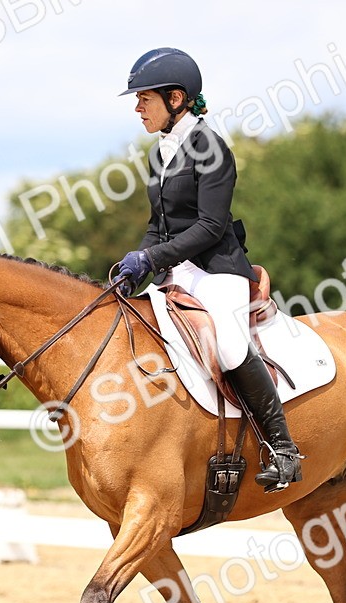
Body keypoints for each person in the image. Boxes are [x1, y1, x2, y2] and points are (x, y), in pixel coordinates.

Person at [113, 47, 303, 492]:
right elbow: (156, 227)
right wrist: (135, 264)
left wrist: (153, 259)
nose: (137, 107)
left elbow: (210, 225)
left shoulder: (210, 148)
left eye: (144, 98)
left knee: (231, 348)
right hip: (176, 270)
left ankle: (284, 449)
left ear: (175, 98)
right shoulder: (159, 155)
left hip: (218, 268)